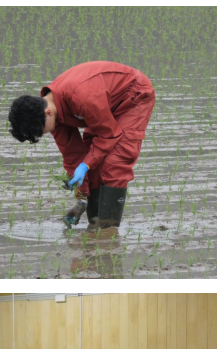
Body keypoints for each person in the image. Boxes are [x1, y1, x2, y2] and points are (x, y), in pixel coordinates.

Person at [8, 61, 156, 229]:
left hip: (133, 94)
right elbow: (73, 157)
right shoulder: (52, 116)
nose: (45, 133)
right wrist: (81, 200)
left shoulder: (80, 96)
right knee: (93, 162)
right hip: (103, 107)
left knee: (115, 162)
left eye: (42, 131)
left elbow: (109, 134)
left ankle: (108, 230)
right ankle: (95, 223)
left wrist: (85, 165)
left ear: (47, 113)